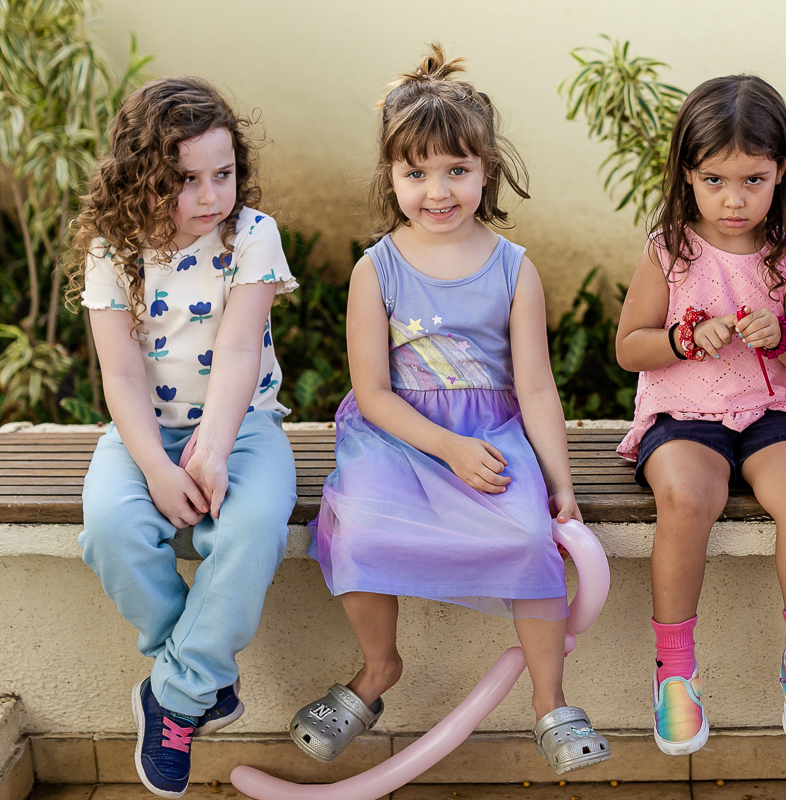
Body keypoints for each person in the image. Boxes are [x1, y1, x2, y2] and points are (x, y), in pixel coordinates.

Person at [293, 46, 610, 775]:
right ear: (391, 176)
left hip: (491, 431)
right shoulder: (375, 269)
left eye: (456, 171)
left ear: (486, 170)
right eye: (416, 174)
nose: (437, 192)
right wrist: (447, 449)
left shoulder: (514, 268)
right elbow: (373, 392)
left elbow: (536, 388)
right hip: (397, 436)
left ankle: (551, 703)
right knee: (358, 526)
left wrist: (560, 483)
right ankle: (378, 669)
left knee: (531, 535)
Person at [69, 77, 298, 798]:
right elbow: (121, 374)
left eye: (223, 174)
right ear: (141, 179)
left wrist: (215, 449)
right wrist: (157, 469)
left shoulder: (251, 235)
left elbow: (238, 350)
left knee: (252, 530)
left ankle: (173, 695)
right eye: (186, 180)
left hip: (244, 424)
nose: (210, 196)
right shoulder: (113, 250)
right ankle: (200, 678)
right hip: (142, 430)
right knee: (111, 529)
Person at [615, 75, 786, 755]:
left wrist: (782, 337)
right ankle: (674, 672)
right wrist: (681, 339)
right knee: (687, 498)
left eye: (752, 180)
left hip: (766, 410)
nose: (733, 200)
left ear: (781, 172)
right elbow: (628, 346)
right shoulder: (668, 250)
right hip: (683, 416)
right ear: (688, 173)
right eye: (714, 180)